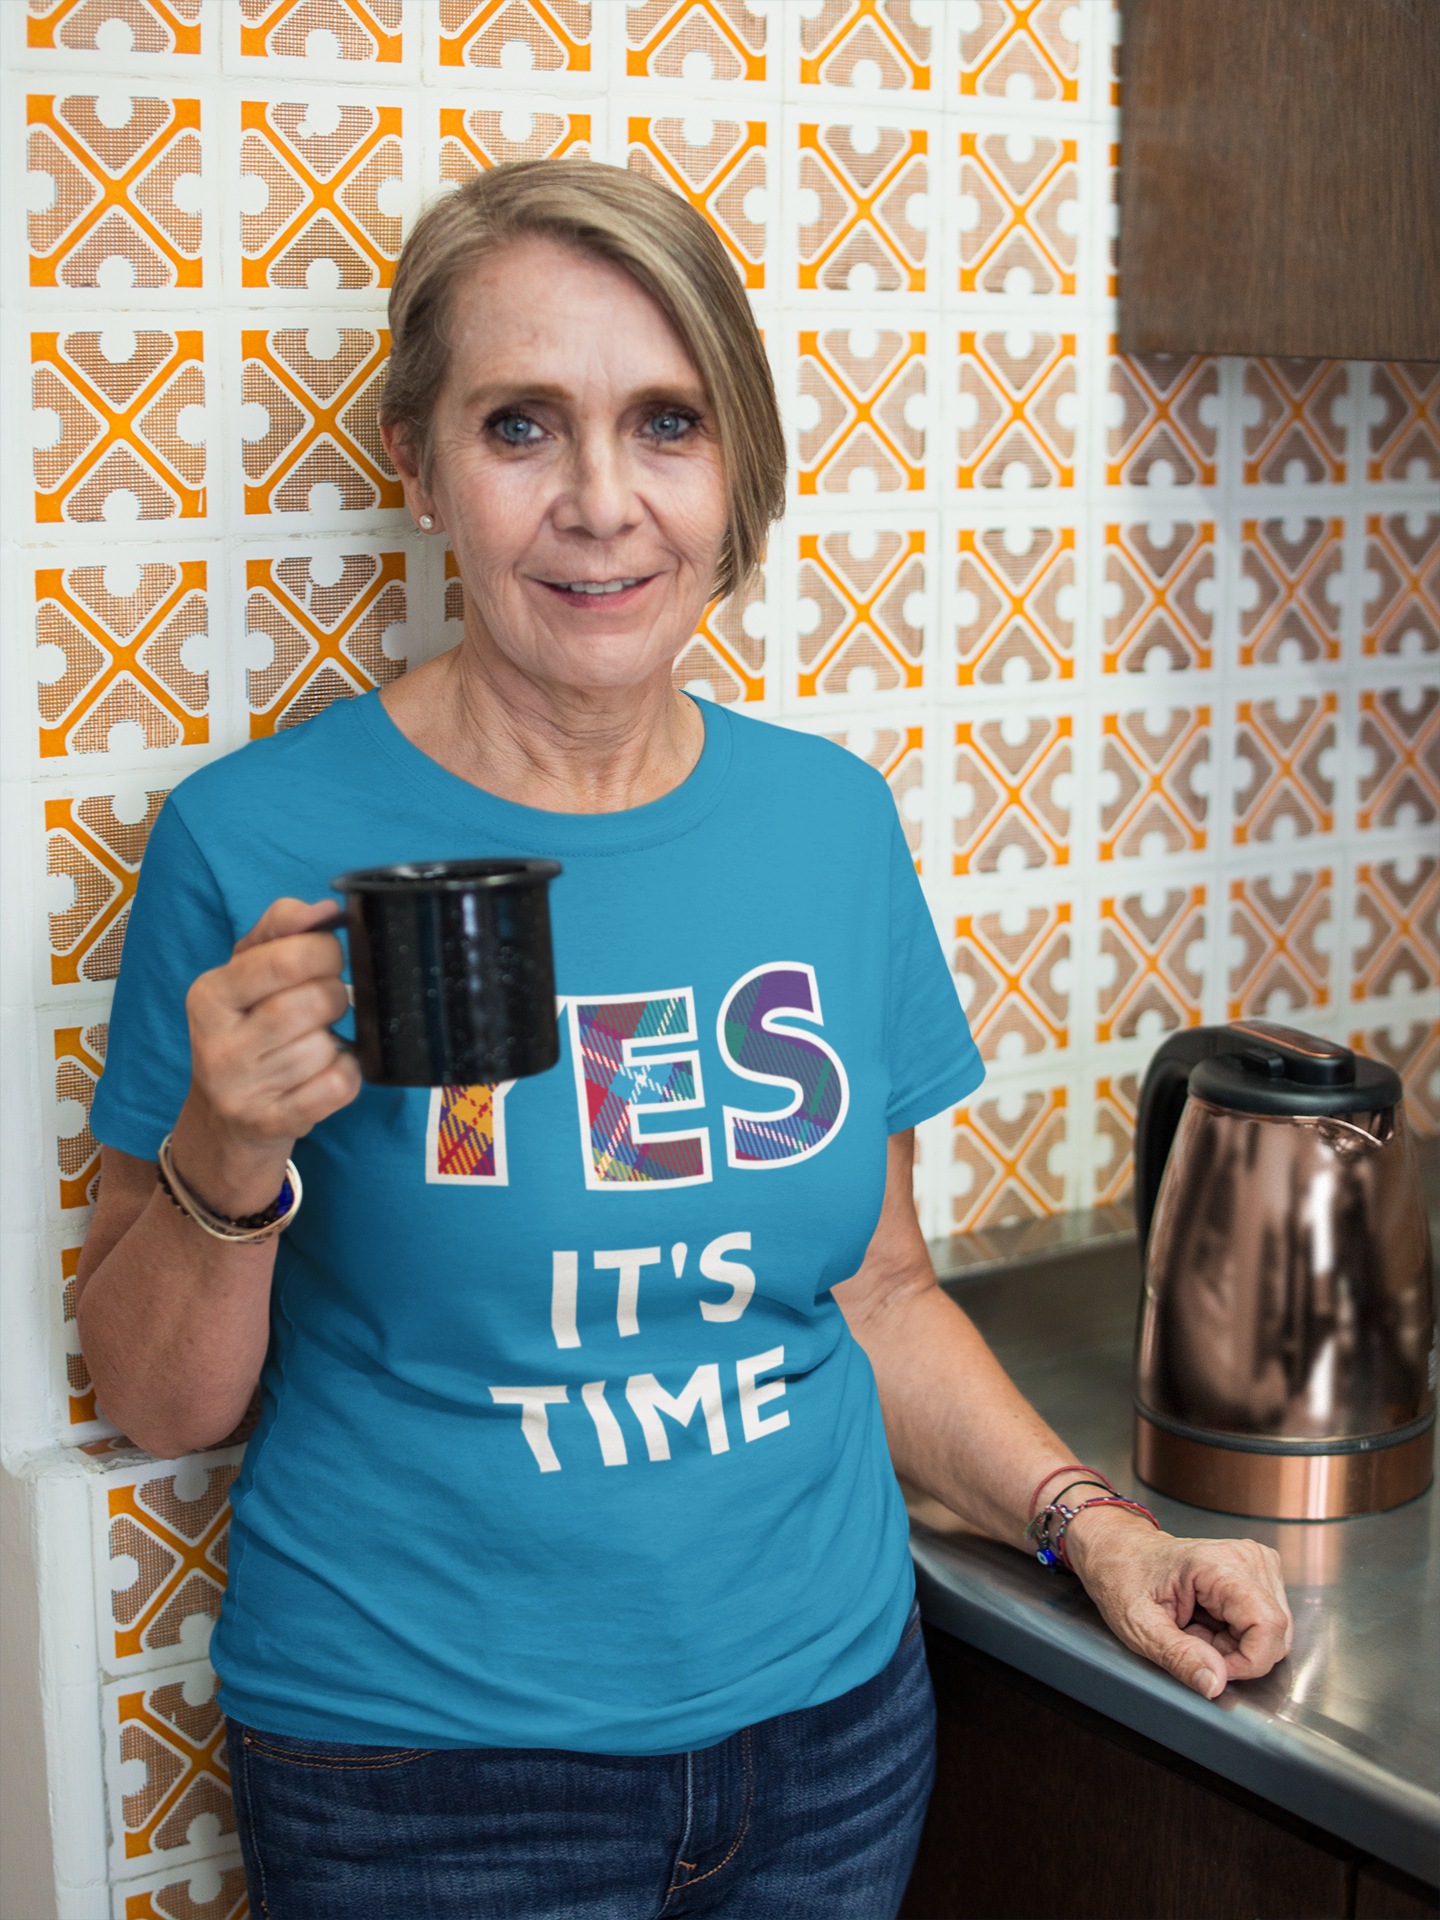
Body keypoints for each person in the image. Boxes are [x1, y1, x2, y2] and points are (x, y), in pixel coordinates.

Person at [77, 162, 1291, 1920]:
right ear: (417, 462)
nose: (601, 503)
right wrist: (227, 1149)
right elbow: (155, 1401)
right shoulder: (251, 840)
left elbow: (878, 1295)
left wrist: (1092, 1527)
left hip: (837, 1742)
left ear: (736, 465)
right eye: (520, 426)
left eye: (667, 422)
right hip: (423, 1784)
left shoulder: (827, 825)